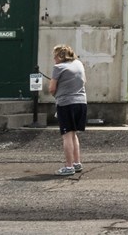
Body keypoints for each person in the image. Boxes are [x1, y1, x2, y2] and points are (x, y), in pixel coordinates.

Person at [48, 44, 87, 175]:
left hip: (66, 104)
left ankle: (69, 166)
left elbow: (52, 89)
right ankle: (77, 163)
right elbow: (83, 81)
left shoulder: (58, 68)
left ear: (60, 56)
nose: (54, 59)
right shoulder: (78, 64)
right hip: (81, 102)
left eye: (55, 56)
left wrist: (57, 94)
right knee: (73, 134)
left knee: (66, 136)